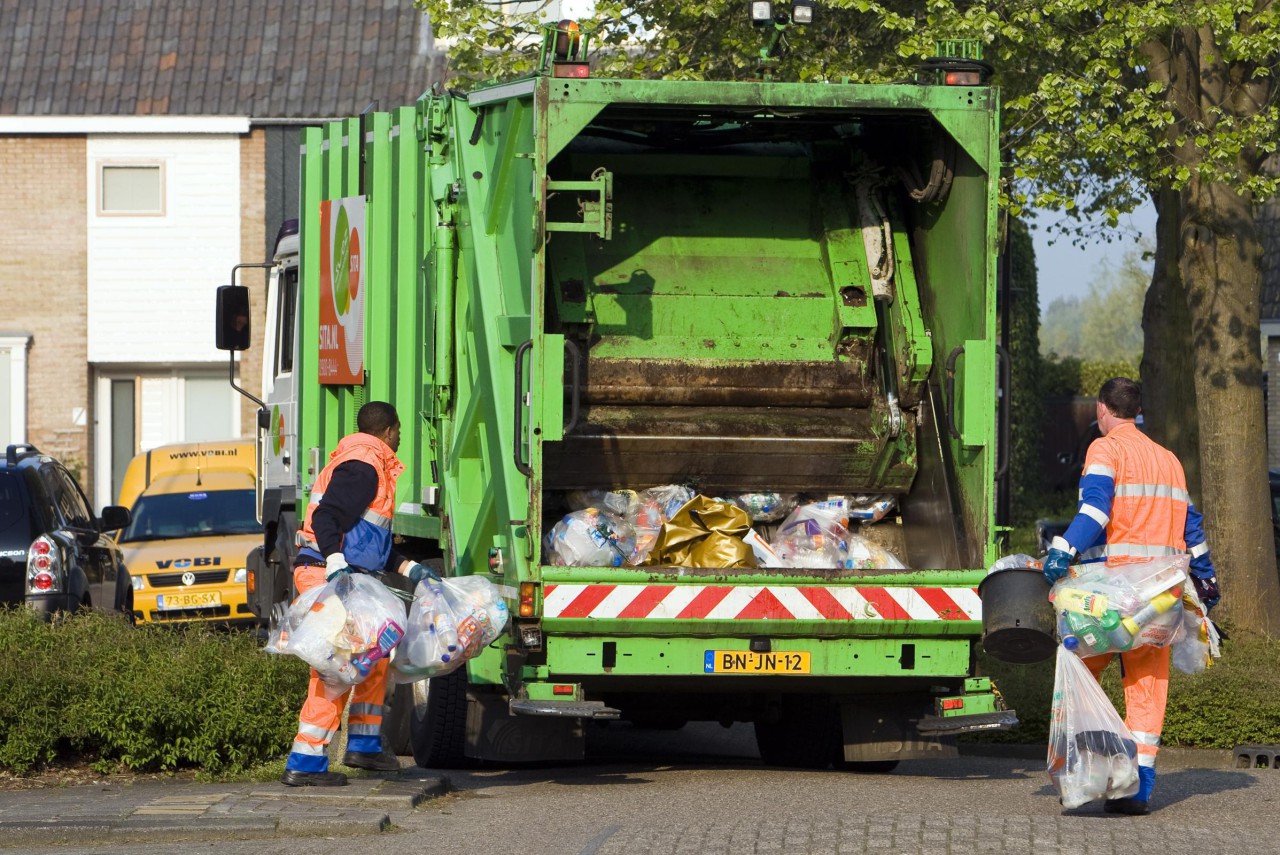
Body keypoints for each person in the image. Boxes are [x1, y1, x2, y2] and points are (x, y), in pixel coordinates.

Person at [1043, 377, 1221, 815]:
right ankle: (1138, 791)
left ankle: (1083, 774)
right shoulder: (1169, 460)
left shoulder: (1106, 449)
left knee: (1080, 671)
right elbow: (1192, 529)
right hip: (1161, 601)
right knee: (1147, 687)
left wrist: (1062, 550)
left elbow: (1095, 510)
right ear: (1136, 411)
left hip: (1114, 601)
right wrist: (1206, 579)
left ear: (1103, 409)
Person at [280, 401, 439, 787]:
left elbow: (371, 542)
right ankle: (306, 760)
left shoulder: (368, 464)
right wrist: (334, 560)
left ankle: (364, 747)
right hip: (327, 573)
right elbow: (326, 518)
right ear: (388, 430)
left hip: (341, 573)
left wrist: (408, 568)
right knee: (337, 668)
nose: (400, 438)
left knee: (375, 653)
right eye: (399, 431)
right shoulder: (364, 465)